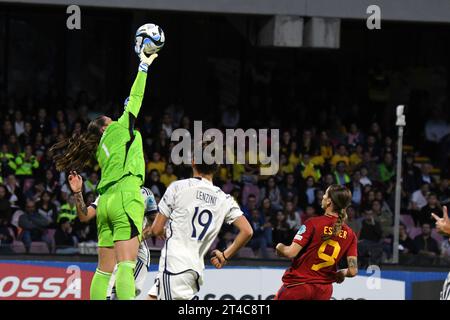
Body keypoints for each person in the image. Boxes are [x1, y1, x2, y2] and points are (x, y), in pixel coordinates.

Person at [50, 50, 158, 300]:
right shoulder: (119, 129)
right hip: (125, 195)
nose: (114, 117)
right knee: (127, 265)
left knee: (103, 269)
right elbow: (136, 97)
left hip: (106, 200)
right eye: (110, 118)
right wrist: (144, 65)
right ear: (104, 125)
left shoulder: (101, 148)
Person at [144, 141, 253, 300]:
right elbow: (247, 231)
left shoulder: (178, 187)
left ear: (193, 162)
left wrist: (162, 230)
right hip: (193, 269)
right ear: (216, 167)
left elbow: (155, 229)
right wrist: (225, 255)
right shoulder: (224, 199)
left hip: (175, 266)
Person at [67, 171, 158, 299]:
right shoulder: (106, 193)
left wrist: (135, 238)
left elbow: (155, 225)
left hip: (136, 253)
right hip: (111, 254)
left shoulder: (145, 193)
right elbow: (84, 216)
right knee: (108, 295)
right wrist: (78, 193)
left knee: (121, 295)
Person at [274, 185, 358, 300]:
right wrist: (342, 273)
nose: (323, 196)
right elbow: (353, 271)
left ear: (329, 201)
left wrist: (279, 247)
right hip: (323, 291)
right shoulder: (351, 234)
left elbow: (290, 253)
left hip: (298, 286)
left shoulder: (312, 223)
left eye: (325, 194)